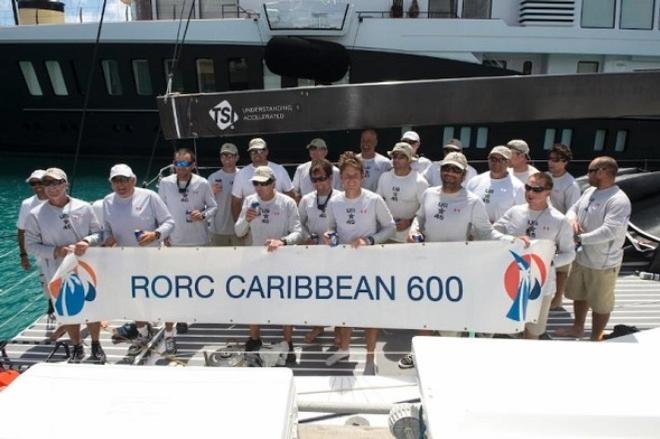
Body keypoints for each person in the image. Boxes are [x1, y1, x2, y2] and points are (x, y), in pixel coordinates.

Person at [398, 152, 496, 369]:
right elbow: (420, 218)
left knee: (451, 316)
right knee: (423, 310)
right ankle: (418, 352)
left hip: (457, 268)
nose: (450, 173)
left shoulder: (473, 201)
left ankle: (447, 357)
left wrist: (514, 241)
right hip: (427, 263)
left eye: (455, 170)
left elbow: (487, 233)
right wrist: (414, 230)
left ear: (463, 174)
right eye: (447, 168)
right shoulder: (429, 194)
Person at [324, 152, 396, 375]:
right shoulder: (334, 201)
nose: (351, 180)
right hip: (343, 264)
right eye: (346, 176)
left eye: (355, 175)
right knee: (344, 309)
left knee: (369, 311)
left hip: (370, 263)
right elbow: (330, 229)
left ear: (362, 176)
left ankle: (370, 357)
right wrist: (330, 237)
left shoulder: (373, 199)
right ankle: (344, 348)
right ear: (341, 178)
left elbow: (390, 227)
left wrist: (369, 240)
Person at [24, 168, 105, 363]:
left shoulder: (84, 207)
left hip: (87, 267)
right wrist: (56, 251)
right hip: (57, 270)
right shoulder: (35, 214)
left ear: (65, 184)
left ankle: (96, 343)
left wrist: (87, 241)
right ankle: (77, 345)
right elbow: (31, 245)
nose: (51, 188)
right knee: (68, 311)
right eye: (46, 184)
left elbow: (99, 233)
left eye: (56, 183)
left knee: (93, 306)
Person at [102, 164, 175, 356]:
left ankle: (169, 335)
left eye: (125, 180)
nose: (121, 185)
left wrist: (155, 234)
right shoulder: (107, 202)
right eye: (116, 181)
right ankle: (143, 333)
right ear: (111, 183)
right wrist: (107, 239)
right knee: (135, 298)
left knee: (164, 296)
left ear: (133, 180)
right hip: (126, 259)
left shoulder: (150, 196)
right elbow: (107, 229)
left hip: (155, 257)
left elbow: (169, 222)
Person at [556, 156, 631, 341]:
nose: (587, 174)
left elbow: (610, 231)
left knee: (601, 304)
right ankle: (578, 327)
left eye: (590, 171)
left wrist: (579, 239)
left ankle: (596, 337)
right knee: (579, 294)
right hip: (582, 257)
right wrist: (572, 219)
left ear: (603, 172)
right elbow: (572, 209)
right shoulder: (589, 191)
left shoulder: (618, 200)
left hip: (603, 262)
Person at [493, 172, 575, 339]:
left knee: (533, 332)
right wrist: (511, 239)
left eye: (537, 190)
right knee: (507, 329)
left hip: (541, 285)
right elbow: (491, 232)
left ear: (548, 192)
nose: (530, 193)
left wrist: (548, 261)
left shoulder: (560, 220)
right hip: (510, 281)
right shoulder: (514, 212)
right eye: (528, 188)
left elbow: (569, 254)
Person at [235, 166, 303, 362]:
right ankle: (254, 338)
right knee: (254, 300)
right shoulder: (249, 201)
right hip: (256, 260)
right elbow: (239, 232)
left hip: (282, 260)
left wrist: (282, 241)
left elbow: (298, 233)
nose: (259, 187)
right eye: (256, 183)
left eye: (264, 183)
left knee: (285, 303)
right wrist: (246, 220)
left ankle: (288, 342)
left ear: (273, 183)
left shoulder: (287, 202)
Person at [158, 148, 217, 354]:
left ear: (193, 165)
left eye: (185, 164)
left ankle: (191, 312)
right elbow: (161, 211)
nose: (181, 168)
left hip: (198, 240)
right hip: (174, 241)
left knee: (195, 281)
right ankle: (177, 322)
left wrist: (202, 214)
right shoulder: (165, 183)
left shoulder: (202, 183)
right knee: (174, 285)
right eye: (177, 164)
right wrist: (163, 235)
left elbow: (213, 207)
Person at [297, 158, 341, 344]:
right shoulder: (306, 199)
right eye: (314, 180)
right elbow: (298, 223)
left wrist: (335, 237)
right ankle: (318, 327)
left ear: (330, 178)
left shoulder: (341, 197)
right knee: (316, 292)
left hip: (336, 252)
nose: (318, 183)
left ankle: (339, 330)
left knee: (338, 292)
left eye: (322, 179)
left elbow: (346, 225)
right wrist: (308, 236)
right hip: (314, 252)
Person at [547, 143, 581, 309]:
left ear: (565, 162)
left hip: (562, 229)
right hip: (544, 226)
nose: (551, 163)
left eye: (556, 160)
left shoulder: (571, 184)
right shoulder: (545, 177)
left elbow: (573, 210)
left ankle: (558, 297)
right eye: (550, 159)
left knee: (561, 268)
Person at [231, 138, 295, 220]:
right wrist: (240, 228)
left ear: (266, 152)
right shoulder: (241, 174)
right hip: (252, 224)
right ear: (250, 154)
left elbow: (291, 195)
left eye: (260, 151)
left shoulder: (279, 170)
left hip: (278, 222)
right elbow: (236, 203)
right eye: (253, 151)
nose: (257, 154)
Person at [377, 142, 428, 243]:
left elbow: (426, 211)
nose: (396, 160)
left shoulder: (420, 182)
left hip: (409, 239)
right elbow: (377, 203)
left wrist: (409, 222)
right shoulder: (384, 177)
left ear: (409, 160)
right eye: (395, 156)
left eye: (401, 157)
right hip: (386, 236)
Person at [16, 170, 51, 314]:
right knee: (45, 280)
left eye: (40, 182)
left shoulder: (58, 199)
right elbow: (21, 230)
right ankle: (52, 305)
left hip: (61, 247)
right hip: (40, 251)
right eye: (33, 183)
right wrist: (23, 255)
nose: (37, 186)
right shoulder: (27, 204)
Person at [466, 146, 525, 223]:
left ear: (508, 162)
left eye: (502, 159)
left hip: (499, 233)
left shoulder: (518, 187)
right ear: (488, 160)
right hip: (473, 231)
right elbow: (465, 206)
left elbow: (520, 216)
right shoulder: (475, 181)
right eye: (493, 159)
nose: (496, 162)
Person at [207, 143, 241, 246]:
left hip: (239, 230)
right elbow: (202, 202)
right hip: (217, 229)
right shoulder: (213, 177)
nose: (227, 158)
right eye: (224, 155)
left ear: (237, 157)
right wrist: (210, 192)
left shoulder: (243, 175)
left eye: (230, 155)